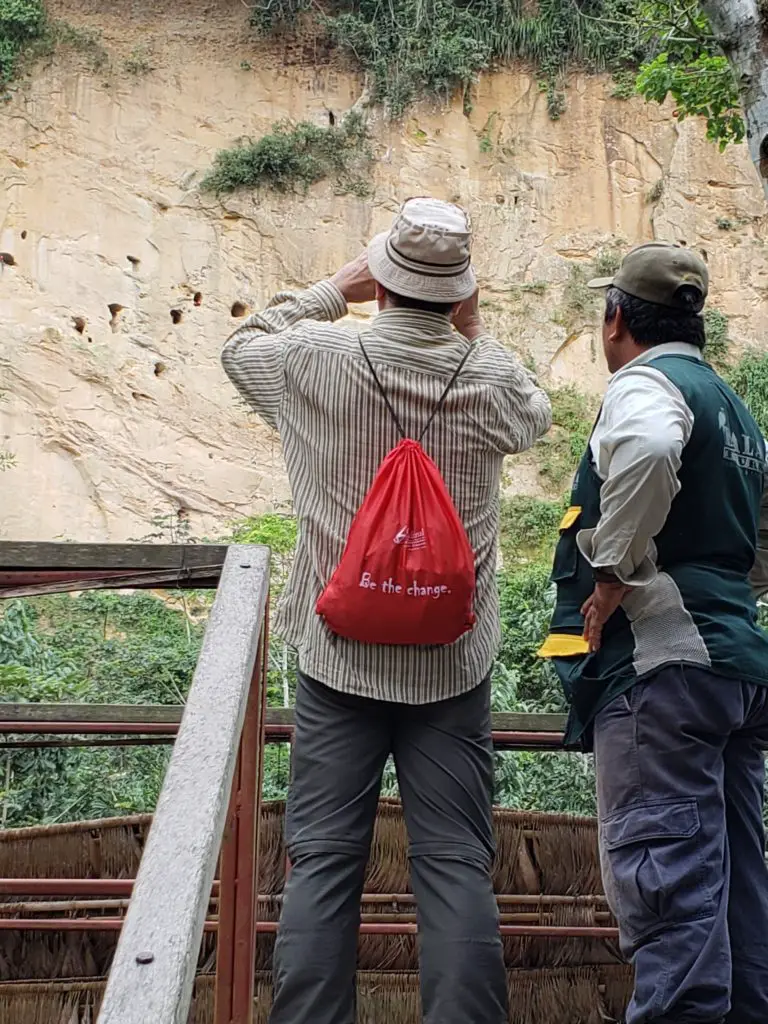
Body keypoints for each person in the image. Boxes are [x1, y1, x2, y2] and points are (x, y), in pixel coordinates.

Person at [221, 197, 551, 1024]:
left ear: (383, 281)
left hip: (338, 657)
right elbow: (536, 414)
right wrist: (473, 331)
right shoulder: (486, 378)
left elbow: (239, 348)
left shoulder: (314, 359)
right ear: (459, 293)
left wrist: (334, 288)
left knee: (323, 863)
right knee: (453, 865)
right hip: (450, 661)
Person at [539, 241, 768, 1024]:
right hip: (734, 671)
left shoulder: (646, 385)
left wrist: (613, 572)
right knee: (738, 893)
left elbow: (645, 450)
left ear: (614, 320)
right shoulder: (734, 409)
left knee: (666, 885)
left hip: (663, 672)